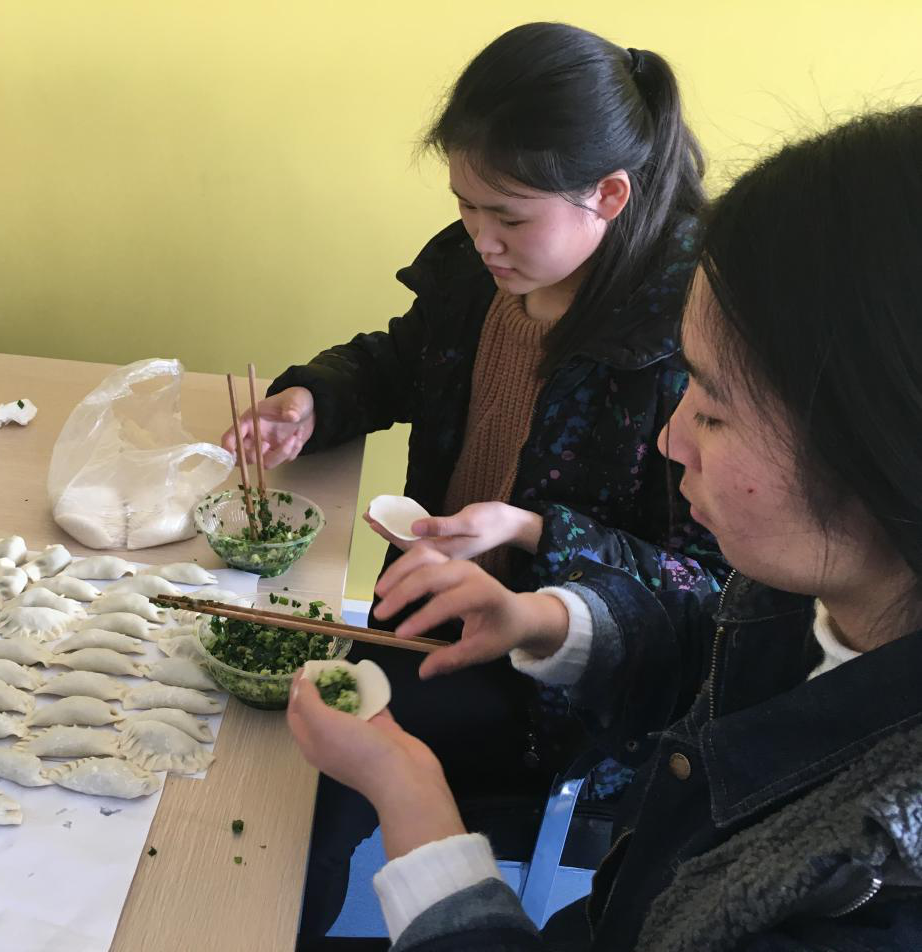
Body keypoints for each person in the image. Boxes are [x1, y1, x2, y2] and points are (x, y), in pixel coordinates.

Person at [289, 105, 922, 950]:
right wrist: (542, 618)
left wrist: (408, 794)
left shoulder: (872, 890)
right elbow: (712, 639)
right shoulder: (801, 595)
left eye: (714, 411)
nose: (672, 439)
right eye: (467, 207)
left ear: (881, 445)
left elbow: (689, 576)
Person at [224, 22, 724, 934]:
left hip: (548, 678)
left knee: (302, 777)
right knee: (246, 685)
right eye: (465, 206)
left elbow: (709, 593)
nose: (482, 239)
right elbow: (401, 358)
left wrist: (531, 531)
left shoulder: (688, 343)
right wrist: (313, 400)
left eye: (509, 217)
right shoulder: (480, 271)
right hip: (429, 598)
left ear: (608, 194)